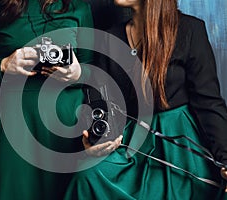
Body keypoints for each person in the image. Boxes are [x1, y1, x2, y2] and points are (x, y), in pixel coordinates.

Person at [64, 0, 227, 199]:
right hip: (131, 143)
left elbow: (209, 104)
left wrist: (225, 159)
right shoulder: (109, 38)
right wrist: (95, 139)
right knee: (88, 174)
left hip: (181, 145)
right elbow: (100, 100)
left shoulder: (190, 29)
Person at [0, 0, 93, 199]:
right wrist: (3, 65)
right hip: (18, 122)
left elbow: (94, 68)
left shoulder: (78, 7)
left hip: (69, 123)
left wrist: (78, 73)